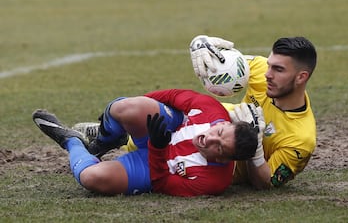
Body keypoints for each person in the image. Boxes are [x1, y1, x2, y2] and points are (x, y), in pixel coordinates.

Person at [33, 89, 261, 197]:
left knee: (92, 178)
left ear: (222, 159)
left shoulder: (212, 182)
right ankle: (103, 141)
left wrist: (160, 148)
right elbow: (172, 96)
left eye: (218, 146)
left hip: (153, 164)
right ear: (224, 123)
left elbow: (162, 183)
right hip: (165, 127)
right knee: (130, 108)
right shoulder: (212, 110)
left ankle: (71, 141)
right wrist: (136, 106)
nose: (210, 137)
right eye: (219, 131)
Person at [188, 35, 318, 189]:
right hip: (192, 118)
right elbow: (223, 63)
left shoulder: (301, 139)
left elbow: (265, 183)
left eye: (278, 69)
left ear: (301, 77)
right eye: (270, 65)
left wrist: (255, 149)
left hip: (205, 159)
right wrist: (200, 43)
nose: (268, 74)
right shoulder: (261, 69)